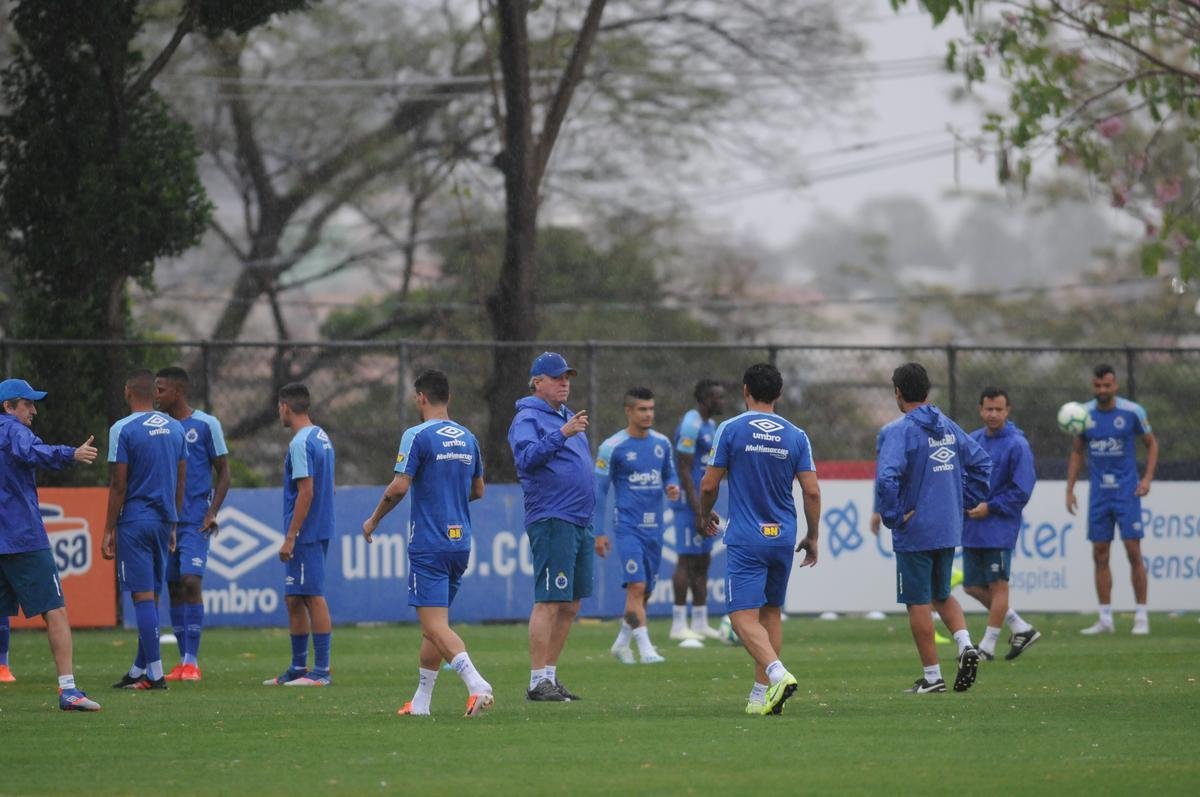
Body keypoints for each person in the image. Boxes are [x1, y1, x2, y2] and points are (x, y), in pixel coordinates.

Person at [362, 369, 493, 717]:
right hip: (459, 541)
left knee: (433, 625)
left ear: (420, 398)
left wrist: (374, 519)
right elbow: (478, 490)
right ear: (448, 397)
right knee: (435, 626)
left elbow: (399, 487)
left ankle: (476, 684)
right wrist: (449, 497)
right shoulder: (468, 438)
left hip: (429, 543)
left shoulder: (417, 435)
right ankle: (421, 702)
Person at [699, 363, 820, 716]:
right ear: (779, 395)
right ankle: (759, 696)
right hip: (782, 536)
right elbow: (811, 492)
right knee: (770, 613)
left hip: (747, 537)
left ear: (745, 390)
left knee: (740, 617)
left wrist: (704, 514)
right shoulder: (796, 435)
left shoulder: (731, 429)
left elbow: (709, 484)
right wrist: (813, 536)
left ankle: (777, 673)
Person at [874, 362, 991, 694]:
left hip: (917, 529)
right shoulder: (948, 426)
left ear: (898, 392)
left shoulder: (900, 430)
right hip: (948, 527)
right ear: (927, 390)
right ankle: (966, 644)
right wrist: (965, 500)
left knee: (917, 602)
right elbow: (982, 462)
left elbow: (886, 478)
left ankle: (932, 677)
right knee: (942, 594)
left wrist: (893, 515)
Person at [0, 378, 101, 710]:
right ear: (8, 407)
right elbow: (33, 451)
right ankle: (68, 690)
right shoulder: (13, 430)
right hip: (22, 537)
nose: (33, 409)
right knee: (55, 611)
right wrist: (70, 453)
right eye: (27, 403)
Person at [508, 352, 594, 702]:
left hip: (580, 519)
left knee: (571, 603)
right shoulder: (528, 417)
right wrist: (561, 433)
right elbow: (526, 459)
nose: (564, 383)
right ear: (537, 382)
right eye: (557, 377)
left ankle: (550, 676)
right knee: (549, 600)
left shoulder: (568, 416)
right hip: (553, 516)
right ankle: (535, 680)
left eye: (568, 377)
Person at [104, 370, 187, 691]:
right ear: (154, 393)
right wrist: (174, 523)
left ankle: (155, 675)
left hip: (135, 521)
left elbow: (118, 483)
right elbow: (181, 480)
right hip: (164, 519)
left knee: (142, 598)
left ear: (127, 392)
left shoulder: (122, 429)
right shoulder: (176, 428)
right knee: (151, 596)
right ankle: (140, 668)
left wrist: (108, 529)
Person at [1067, 364, 1158, 635]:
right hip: (1099, 494)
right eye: (1097, 386)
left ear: (1115, 385)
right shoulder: (1083, 414)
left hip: (1127, 492)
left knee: (1133, 551)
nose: (1102, 390)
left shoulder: (1132, 412)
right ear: (1093, 386)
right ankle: (1105, 618)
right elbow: (1076, 453)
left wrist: (1147, 479)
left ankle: (1141, 616)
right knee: (1100, 554)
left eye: (1107, 385)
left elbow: (1151, 444)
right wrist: (1069, 488)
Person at [154, 366, 230, 682]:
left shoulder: (206, 424)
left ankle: (192, 660)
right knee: (172, 586)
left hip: (195, 520)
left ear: (178, 392)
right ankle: (181, 662)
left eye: (161, 389)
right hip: (166, 520)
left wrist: (212, 511)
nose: (156, 395)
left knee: (190, 581)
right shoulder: (159, 428)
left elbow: (224, 472)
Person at [594, 387, 681, 665]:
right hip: (627, 526)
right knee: (637, 586)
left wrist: (672, 487)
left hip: (655, 529)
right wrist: (598, 531)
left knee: (645, 592)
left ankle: (621, 643)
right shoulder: (612, 447)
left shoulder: (662, 444)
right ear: (629, 411)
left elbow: (670, 474)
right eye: (642, 409)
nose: (648, 414)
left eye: (651, 409)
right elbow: (600, 491)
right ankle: (646, 649)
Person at [264, 382, 336, 686]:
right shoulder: (321, 436)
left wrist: (291, 535)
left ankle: (320, 671)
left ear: (284, 407)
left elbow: (306, 491)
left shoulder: (300, 443)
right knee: (294, 597)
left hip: (306, 531)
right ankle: (297, 668)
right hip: (318, 526)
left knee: (312, 597)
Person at [962, 387, 1040, 661]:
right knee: (971, 586)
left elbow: (1022, 490)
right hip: (972, 526)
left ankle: (987, 646)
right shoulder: (972, 440)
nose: (993, 414)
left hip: (998, 527)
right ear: (980, 410)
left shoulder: (1017, 445)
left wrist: (991, 506)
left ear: (1007, 411)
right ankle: (1021, 627)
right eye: (988, 409)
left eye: (999, 409)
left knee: (998, 586)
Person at [668, 379, 727, 642]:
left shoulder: (711, 425)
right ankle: (678, 623)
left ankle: (701, 621)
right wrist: (697, 510)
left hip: (703, 502)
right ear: (704, 399)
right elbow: (683, 468)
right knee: (686, 560)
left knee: (703, 559)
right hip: (688, 503)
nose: (722, 402)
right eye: (717, 397)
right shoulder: (691, 424)